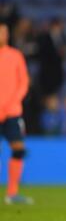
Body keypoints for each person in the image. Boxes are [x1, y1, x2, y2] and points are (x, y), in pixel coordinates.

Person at [0, 22, 33, 205]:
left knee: (18, 149)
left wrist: (9, 104)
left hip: (12, 111)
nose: (3, 35)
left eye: (5, 32)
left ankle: (12, 193)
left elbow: (23, 83)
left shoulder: (15, 55)